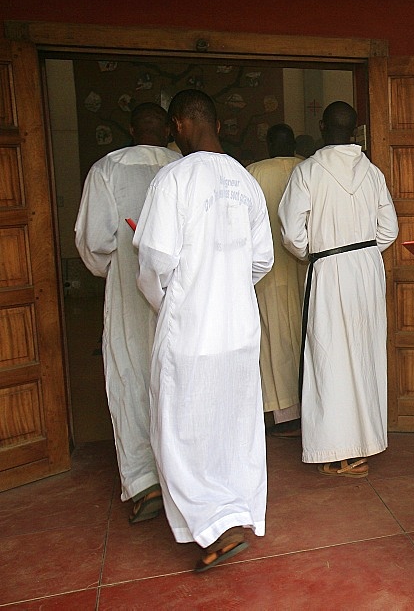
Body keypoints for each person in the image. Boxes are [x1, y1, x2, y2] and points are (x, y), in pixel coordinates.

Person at [134, 89, 273, 572]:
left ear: (181, 124)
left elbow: (155, 263)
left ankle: (215, 524)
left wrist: (173, 301)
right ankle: (235, 510)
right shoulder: (244, 180)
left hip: (191, 331)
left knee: (181, 430)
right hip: (238, 330)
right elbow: (262, 260)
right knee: (234, 427)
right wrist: (228, 284)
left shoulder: (173, 179)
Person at [278, 101, 398, 478]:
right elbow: (389, 230)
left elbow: (291, 234)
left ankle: (336, 450)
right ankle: (367, 441)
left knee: (329, 354)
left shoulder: (307, 172)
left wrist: (320, 253)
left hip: (328, 267)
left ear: (320, 126)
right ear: (355, 130)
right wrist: (360, 252)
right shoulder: (373, 173)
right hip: (365, 268)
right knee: (364, 351)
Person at [74, 102, 179, 525]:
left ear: (131, 127)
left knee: (130, 373)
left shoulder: (107, 168)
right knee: (176, 377)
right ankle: (180, 479)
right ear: (171, 129)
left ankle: (144, 483)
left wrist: (118, 267)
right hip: (179, 288)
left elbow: (93, 240)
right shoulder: (183, 166)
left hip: (127, 286)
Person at [247, 124, 306, 437]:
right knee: (308, 336)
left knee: (274, 341)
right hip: (307, 268)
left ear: (268, 143)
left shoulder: (253, 172)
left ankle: (285, 415)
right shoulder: (307, 168)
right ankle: (311, 408)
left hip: (268, 272)